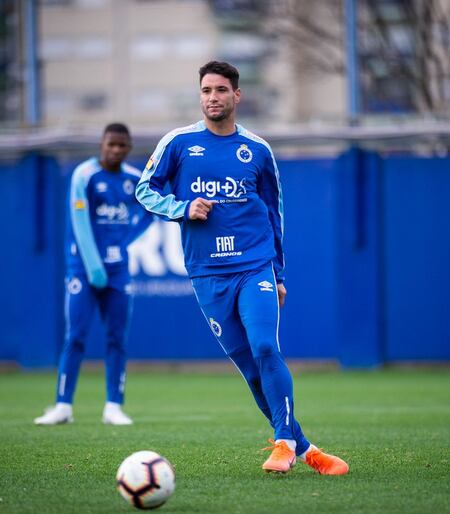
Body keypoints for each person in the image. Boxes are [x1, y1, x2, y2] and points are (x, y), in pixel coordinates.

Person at [135, 61, 349, 475]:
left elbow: (275, 214)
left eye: (220, 90)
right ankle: (305, 448)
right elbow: (144, 190)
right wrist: (181, 208)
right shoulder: (177, 143)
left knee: (266, 347)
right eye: (205, 90)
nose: (212, 97)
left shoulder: (258, 150)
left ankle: (283, 443)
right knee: (251, 369)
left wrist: (279, 275)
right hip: (207, 273)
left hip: (254, 267)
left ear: (237, 95)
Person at [35, 123, 153, 426]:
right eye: (111, 144)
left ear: (128, 148)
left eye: (122, 145)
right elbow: (79, 222)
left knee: (117, 337)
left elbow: (151, 210)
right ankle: (63, 405)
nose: (116, 150)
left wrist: (126, 239)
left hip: (118, 271)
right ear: (102, 144)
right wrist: (93, 266)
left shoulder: (133, 179)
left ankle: (113, 405)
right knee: (75, 335)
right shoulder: (84, 175)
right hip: (83, 269)